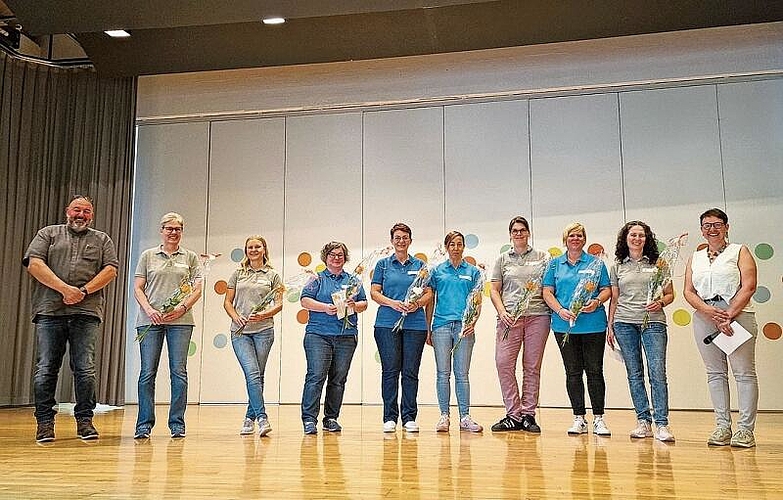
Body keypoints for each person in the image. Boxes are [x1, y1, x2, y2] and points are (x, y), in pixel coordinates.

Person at [23, 195, 119, 443]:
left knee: (85, 369)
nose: (81, 215)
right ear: (68, 211)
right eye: (77, 209)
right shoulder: (48, 234)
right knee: (46, 369)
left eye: (86, 211)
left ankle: (85, 421)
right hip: (49, 311)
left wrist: (83, 292)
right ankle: (44, 423)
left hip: (86, 313)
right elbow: (34, 264)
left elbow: (111, 270)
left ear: (92, 215)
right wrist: (65, 289)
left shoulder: (102, 239)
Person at [684, 208, 758, 448]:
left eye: (717, 224)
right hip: (705, 316)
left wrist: (728, 315)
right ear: (701, 230)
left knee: (744, 373)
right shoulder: (696, 256)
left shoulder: (740, 251)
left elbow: (748, 286)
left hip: (736, 315)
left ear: (726, 227)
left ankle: (745, 430)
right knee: (715, 374)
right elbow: (688, 291)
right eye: (706, 225)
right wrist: (707, 312)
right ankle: (722, 427)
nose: (711, 229)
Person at [133, 212, 202, 439]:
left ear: (182, 232)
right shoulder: (148, 255)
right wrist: (150, 310)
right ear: (161, 230)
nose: (173, 232)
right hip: (149, 321)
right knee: (147, 373)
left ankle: (177, 424)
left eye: (178, 229)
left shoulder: (190, 257)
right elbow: (138, 288)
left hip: (180, 322)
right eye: (169, 228)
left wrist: (181, 308)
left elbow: (197, 288)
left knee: (178, 372)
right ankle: (144, 424)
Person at [607, 221, 675, 442]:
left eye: (641, 235)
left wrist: (661, 303)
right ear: (625, 238)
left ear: (647, 239)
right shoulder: (617, 266)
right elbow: (615, 299)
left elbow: (670, 294)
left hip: (653, 323)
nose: (637, 239)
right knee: (634, 374)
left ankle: (662, 424)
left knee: (657, 373)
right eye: (633, 235)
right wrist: (610, 325)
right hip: (624, 323)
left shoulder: (659, 264)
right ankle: (643, 421)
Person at [542, 222, 612, 436]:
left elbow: (607, 290)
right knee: (572, 372)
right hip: (565, 326)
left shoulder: (597, 264)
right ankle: (579, 418)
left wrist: (597, 302)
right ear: (565, 239)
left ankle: (599, 418)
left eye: (580, 235)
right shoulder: (554, 265)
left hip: (594, 325)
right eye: (572, 235)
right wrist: (560, 310)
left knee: (594, 371)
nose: (576, 238)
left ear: (584, 239)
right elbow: (547, 292)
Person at [489, 216, 551, 433]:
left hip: (538, 317)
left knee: (531, 367)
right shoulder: (502, 260)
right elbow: (495, 290)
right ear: (510, 234)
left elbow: (550, 287)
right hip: (509, 320)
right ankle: (513, 414)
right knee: (503, 363)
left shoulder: (543, 258)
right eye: (514, 231)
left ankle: (528, 415)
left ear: (528, 233)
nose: (518, 234)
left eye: (522, 230)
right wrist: (502, 312)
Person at [300, 241, 368, 435]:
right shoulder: (316, 278)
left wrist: (354, 305)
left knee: (338, 379)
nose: (336, 257)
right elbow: (304, 300)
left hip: (346, 336)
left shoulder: (353, 280)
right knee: (316, 376)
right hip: (318, 335)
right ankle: (309, 419)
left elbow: (364, 303)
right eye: (332, 254)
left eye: (340, 254)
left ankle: (331, 418)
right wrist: (325, 307)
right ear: (325, 257)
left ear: (345, 257)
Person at [370, 223, 432, 433]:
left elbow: (428, 294)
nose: (401, 241)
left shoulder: (421, 265)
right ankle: (389, 417)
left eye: (405, 237)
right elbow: (374, 292)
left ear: (410, 241)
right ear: (392, 240)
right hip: (386, 324)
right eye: (397, 237)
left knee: (410, 372)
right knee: (390, 371)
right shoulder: (382, 265)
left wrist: (417, 304)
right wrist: (392, 303)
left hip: (415, 325)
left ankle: (409, 417)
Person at [223, 235, 283, 437]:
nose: (254, 250)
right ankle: (262, 417)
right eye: (250, 247)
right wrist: (235, 316)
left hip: (264, 331)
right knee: (252, 373)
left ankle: (249, 418)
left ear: (264, 249)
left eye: (258, 246)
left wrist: (265, 314)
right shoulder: (237, 274)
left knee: (257, 375)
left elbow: (279, 303)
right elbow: (227, 302)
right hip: (240, 332)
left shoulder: (273, 275)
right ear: (245, 250)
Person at [426, 231, 484, 433]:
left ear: (463, 247)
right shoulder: (437, 271)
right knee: (443, 374)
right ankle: (444, 416)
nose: (456, 248)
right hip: (441, 327)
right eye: (452, 244)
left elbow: (477, 300)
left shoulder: (473, 272)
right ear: (447, 247)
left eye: (460, 244)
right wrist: (428, 328)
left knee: (462, 374)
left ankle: (465, 417)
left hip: (464, 328)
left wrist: (473, 322)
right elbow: (430, 300)